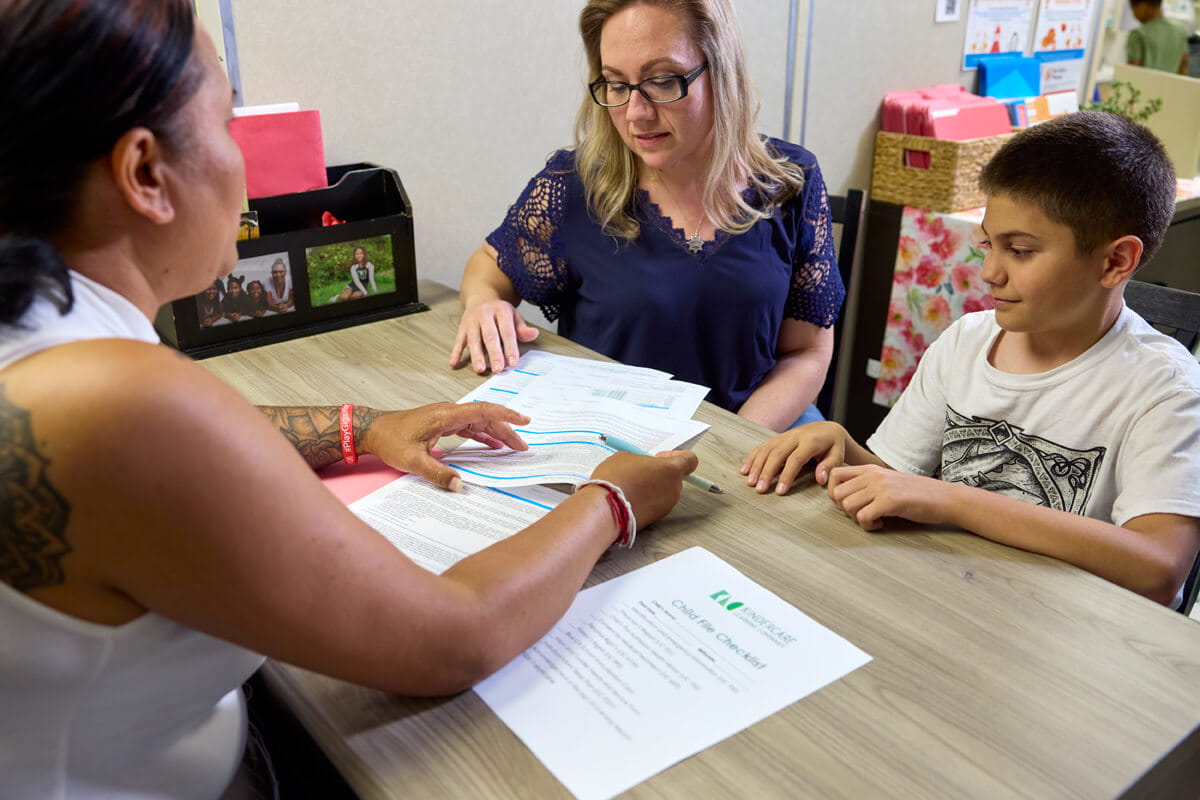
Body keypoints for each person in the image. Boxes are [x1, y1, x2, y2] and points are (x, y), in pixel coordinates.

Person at [0, 3, 697, 797]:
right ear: (146, 175)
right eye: (225, 125)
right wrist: (611, 501)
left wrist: (362, 427)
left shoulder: (49, 349)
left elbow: (193, 446)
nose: (243, 163)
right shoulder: (123, 404)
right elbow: (456, 637)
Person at [742, 112, 1200, 608]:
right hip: (955, 600)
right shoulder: (966, 341)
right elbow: (895, 476)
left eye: (1019, 250)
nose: (989, 272)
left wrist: (953, 500)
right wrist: (842, 446)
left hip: (1072, 630)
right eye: (987, 243)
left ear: (1115, 261)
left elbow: (1158, 568)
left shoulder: (1166, 390)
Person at [449, 0, 844, 432]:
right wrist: (484, 302)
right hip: (614, 441)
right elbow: (489, 266)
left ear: (721, 71)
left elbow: (806, 352)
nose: (637, 113)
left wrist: (730, 444)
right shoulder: (574, 186)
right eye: (616, 84)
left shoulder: (790, 181)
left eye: (662, 81)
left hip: (751, 440)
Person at [1127, 0, 1190, 75]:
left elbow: (1132, 72)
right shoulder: (1179, 30)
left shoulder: (1138, 34)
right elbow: (1184, 66)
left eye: (1133, 9)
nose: (1134, 15)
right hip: (1171, 82)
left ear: (1142, 6)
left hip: (1143, 82)